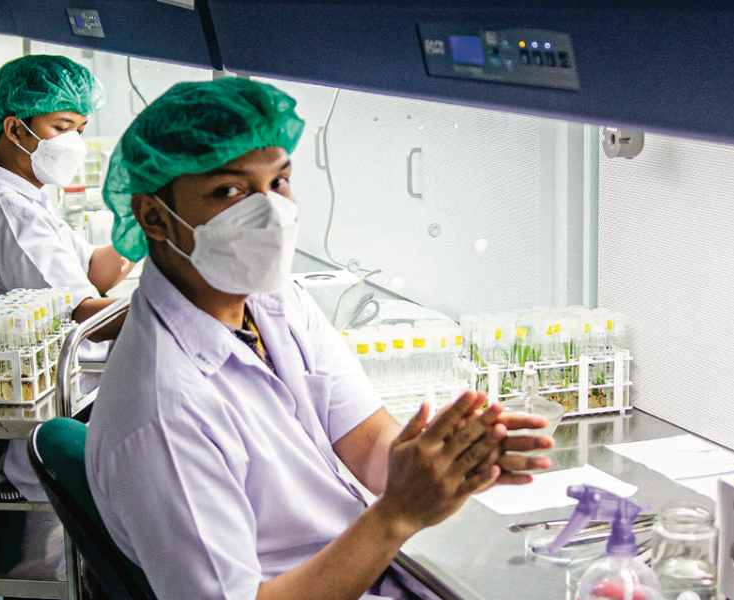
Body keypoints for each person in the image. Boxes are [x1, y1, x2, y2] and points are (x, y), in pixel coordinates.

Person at [85, 78, 555, 600]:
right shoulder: (162, 412)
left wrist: (442, 462)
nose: (269, 212)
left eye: (279, 182)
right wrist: (397, 514)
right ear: (154, 217)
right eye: (230, 192)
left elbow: (367, 442)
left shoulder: (274, 301)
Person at [0, 54, 134, 500]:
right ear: (15, 129)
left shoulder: (25, 194)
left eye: (80, 130)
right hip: (55, 406)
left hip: (67, 385)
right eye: (61, 127)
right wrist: (181, 306)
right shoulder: (8, 212)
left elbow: (93, 272)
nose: (74, 143)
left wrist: (143, 227)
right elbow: (87, 317)